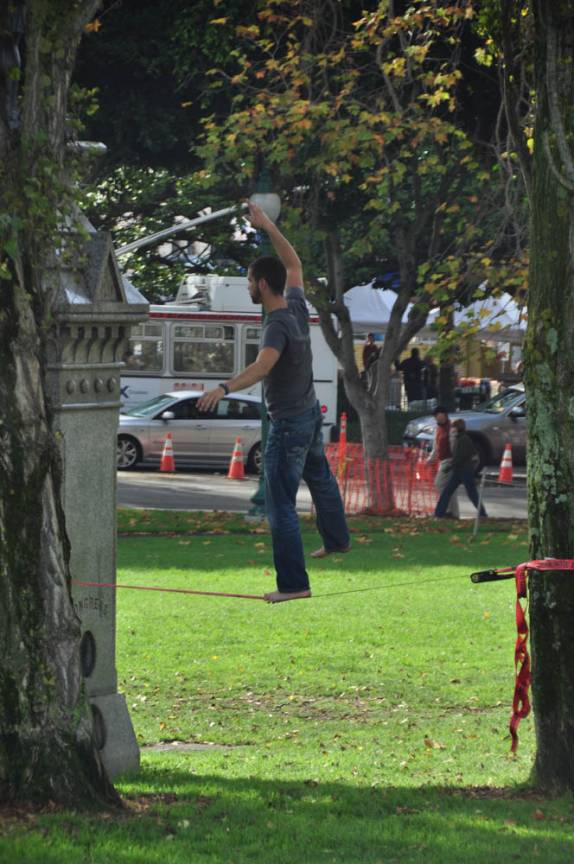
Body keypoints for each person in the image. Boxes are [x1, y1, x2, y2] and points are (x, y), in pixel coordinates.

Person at [197, 202, 350, 603]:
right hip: (310, 414)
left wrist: (224, 388)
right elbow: (294, 264)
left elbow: (264, 365)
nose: (248, 286)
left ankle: (294, 585)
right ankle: (337, 541)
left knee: (280, 505)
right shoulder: (297, 308)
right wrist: (267, 226)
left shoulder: (277, 324)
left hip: (288, 424)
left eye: (250, 281)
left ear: (262, 284)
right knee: (320, 478)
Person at [434, 418, 487, 519]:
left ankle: (483, 513)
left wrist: (449, 467)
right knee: (448, 492)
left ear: (457, 428)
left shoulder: (463, 439)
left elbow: (460, 457)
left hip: (464, 471)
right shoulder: (459, 438)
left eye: (453, 427)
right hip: (459, 471)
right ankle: (438, 514)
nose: (451, 429)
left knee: (471, 494)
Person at [426, 406, 459, 519]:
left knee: (439, 484)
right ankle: (453, 513)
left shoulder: (452, 428)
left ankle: (448, 511)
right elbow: (436, 447)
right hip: (444, 460)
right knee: (450, 488)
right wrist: (430, 459)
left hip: (449, 461)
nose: (438, 419)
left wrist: (453, 462)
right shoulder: (438, 429)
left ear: (445, 415)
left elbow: (454, 446)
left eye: (440, 416)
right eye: (436, 417)